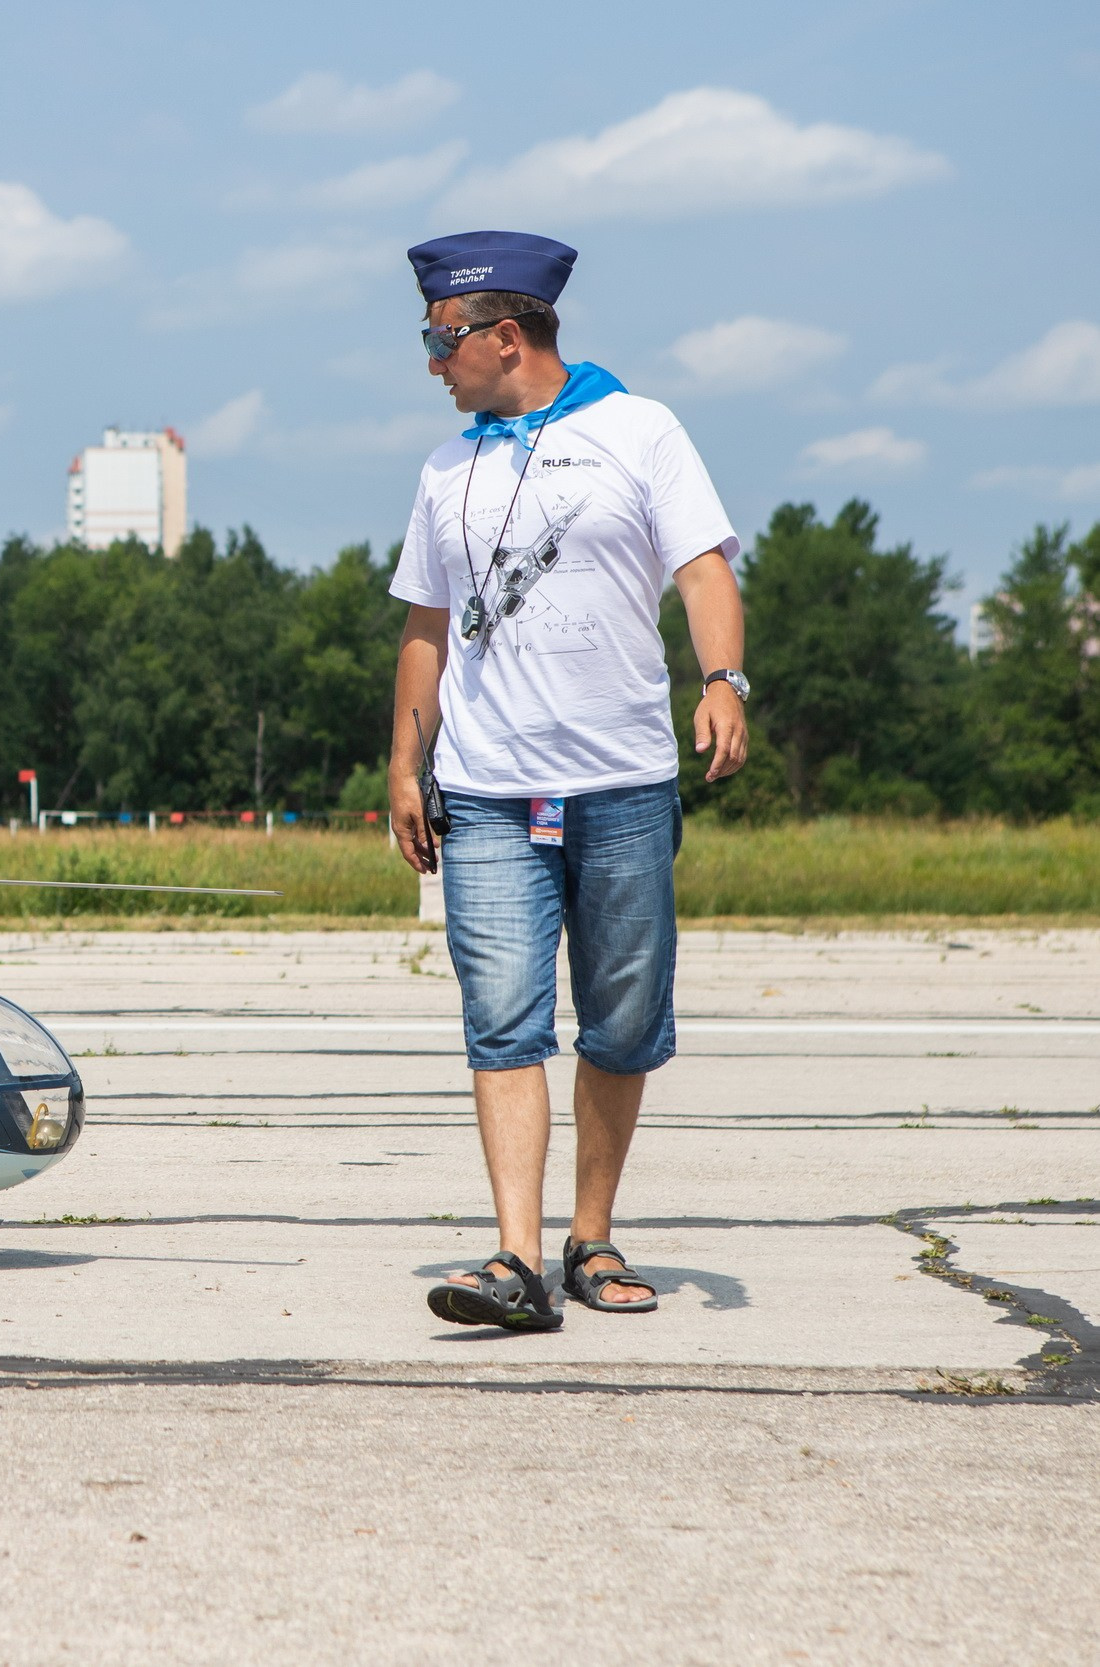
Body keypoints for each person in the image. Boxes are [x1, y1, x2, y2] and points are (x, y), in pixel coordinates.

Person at [384, 230, 749, 1332]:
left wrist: (722, 678)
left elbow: (703, 568)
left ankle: (591, 1236)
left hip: (621, 781)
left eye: (440, 339)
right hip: (487, 787)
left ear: (505, 336)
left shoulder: (640, 429)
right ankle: (516, 1258)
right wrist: (403, 762)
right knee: (502, 1018)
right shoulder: (444, 469)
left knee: (622, 1020)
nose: (430, 362)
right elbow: (426, 626)